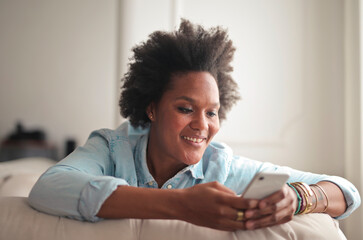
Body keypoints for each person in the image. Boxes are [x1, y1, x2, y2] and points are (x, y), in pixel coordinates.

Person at [29, 20, 360, 232]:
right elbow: (50, 187)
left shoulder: (222, 166)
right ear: (151, 108)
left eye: (212, 112)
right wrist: (182, 205)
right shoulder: (112, 147)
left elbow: (346, 193)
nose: (202, 125)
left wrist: (300, 197)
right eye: (186, 108)